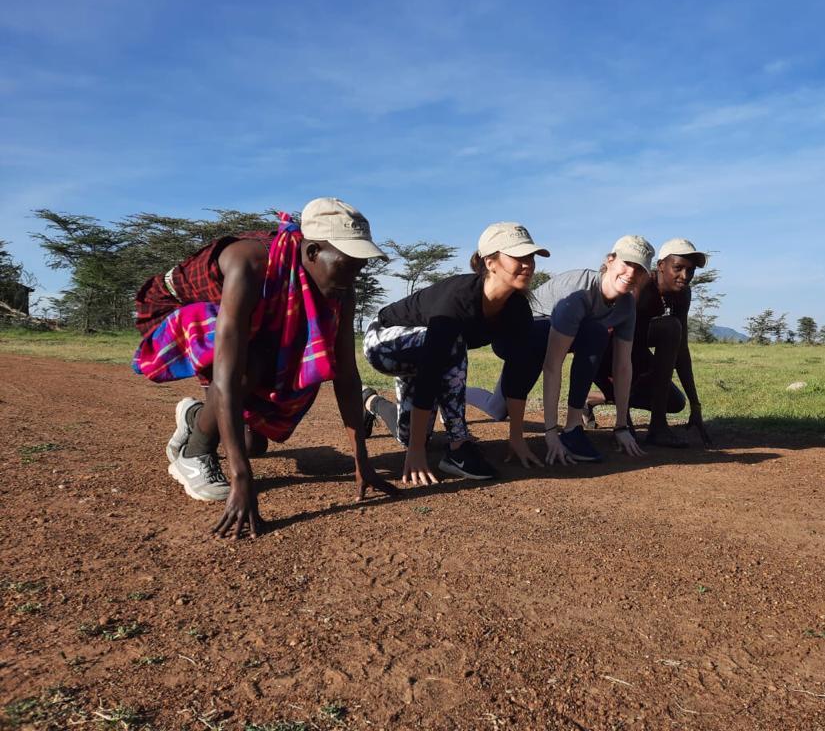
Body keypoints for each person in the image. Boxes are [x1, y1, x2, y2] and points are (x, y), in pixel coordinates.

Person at [133, 197, 398, 539]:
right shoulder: (250, 263)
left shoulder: (341, 287)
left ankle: (196, 417)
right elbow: (229, 374)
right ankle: (193, 452)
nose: (354, 275)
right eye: (348, 263)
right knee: (250, 366)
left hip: (239, 328)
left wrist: (363, 461)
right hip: (175, 312)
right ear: (313, 252)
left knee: (252, 444)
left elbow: (345, 372)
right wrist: (242, 479)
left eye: (360, 266)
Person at [361, 222, 549, 485]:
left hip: (430, 351)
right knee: (452, 342)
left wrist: (516, 437)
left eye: (530, 256)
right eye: (518, 256)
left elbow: (518, 371)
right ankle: (458, 446)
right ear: (491, 261)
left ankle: (370, 401)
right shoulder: (458, 299)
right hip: (383, 341)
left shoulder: (517, 309)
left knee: (408, 434)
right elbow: (431, 373)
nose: (528, 263)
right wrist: (416, 452)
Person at [467, 235, 653, 465]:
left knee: (496, 409)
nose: (631, 274)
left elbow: (623, 366)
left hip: (547, 340)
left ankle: (573, 426)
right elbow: (553, 365)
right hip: (520, 335)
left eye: (639, 269)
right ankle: (569, 430)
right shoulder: (578, 293)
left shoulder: (626, 306)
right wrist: (551, 432)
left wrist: (621, 425)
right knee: (593, 332)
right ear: (610, 261)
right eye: (627, 264)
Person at [587, 238, 713, 448]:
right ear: (661, 265)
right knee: (669, 327)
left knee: (675, 402)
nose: (685, 276)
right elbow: (610, 341)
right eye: (678, 268)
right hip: (604, 354)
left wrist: (695, 404)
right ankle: (617, 403)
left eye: (690, 271)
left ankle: (657, 427)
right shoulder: (639, 287)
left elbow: (681, 349)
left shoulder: (682, 294)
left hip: (635, 353)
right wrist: (622, 424)